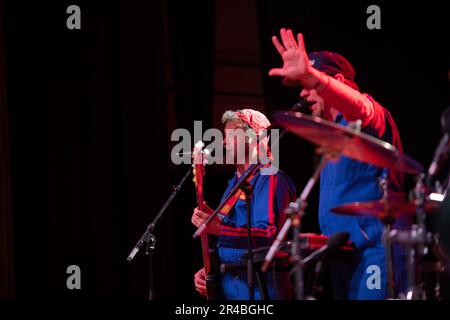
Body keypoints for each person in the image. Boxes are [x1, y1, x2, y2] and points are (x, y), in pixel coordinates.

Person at [269, 28, 409, 299]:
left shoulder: (367, 116)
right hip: (342, 256)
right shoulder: (330, 137)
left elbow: (360, 105)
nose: (305, 95)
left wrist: (315, 78)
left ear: (339, 81)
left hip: (375, 251)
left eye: (309, 86)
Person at [192, 108, 296, 300]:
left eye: (231, 135)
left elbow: (266, 235)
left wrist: (218, 228)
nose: (224, 142)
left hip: (261, 289)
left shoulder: (270, 178)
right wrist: (210, 271)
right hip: (231, 286)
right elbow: (229, 237)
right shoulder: (233, 183)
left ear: (254, 138)